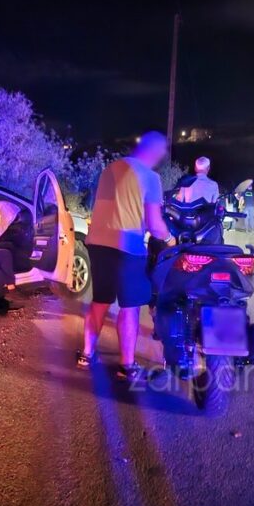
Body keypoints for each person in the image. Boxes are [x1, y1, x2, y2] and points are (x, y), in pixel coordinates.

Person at [79, 130, 175, 381]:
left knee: (100, 301)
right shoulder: (150, 177)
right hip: (127, 247)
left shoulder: (110, 169)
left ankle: (87, 354)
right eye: (161, 152)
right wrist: (169, 240)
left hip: (98, 243)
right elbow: (154, 224)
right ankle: (128, 366)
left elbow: (105, 206)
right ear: (153, 151)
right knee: (130, 307)